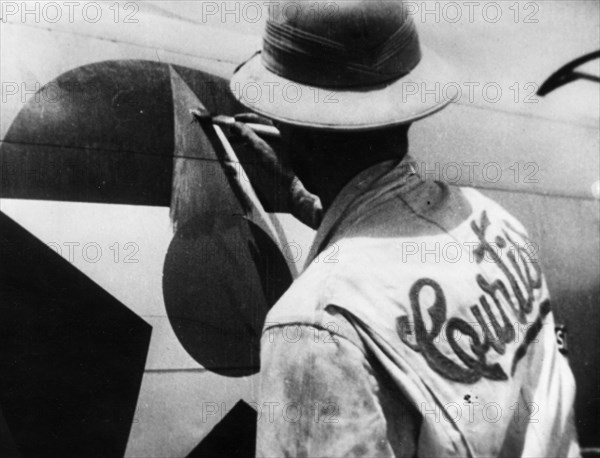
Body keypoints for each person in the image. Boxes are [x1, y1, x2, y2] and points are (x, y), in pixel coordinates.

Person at [229, 0, 581, 456]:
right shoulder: (497, 225)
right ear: (408, 107)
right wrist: (313, 203)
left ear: (286, 127)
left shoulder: (314, 326)